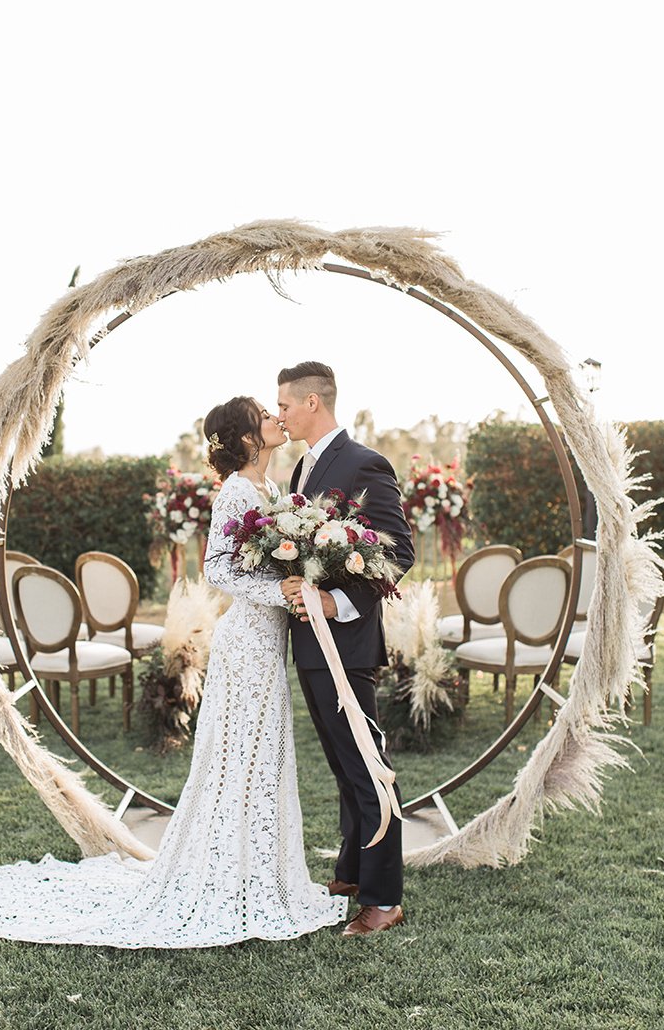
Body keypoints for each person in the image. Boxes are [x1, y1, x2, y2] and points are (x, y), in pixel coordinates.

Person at [0, 395, 347, 949]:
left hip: (269, 640)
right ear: (249, 437)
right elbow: (218, 570)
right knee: (239, 754)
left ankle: (263, 873)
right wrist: (278, 590)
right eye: (265, 414)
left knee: (263, 753)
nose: (277, 418)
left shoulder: (272, 491)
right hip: (246, 642)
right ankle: (228, 877)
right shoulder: (235, 492)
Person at [277, 361, 415, 937]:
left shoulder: (363, 464)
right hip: (311, 643)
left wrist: (337, 603)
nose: (279, 414)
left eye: (284, 404)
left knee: (367, 766)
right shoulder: (300, 471)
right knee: (342, 764)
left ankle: (384, 899)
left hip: (347, 642)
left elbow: (397, 552)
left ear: (313, 402)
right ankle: (354, 870)